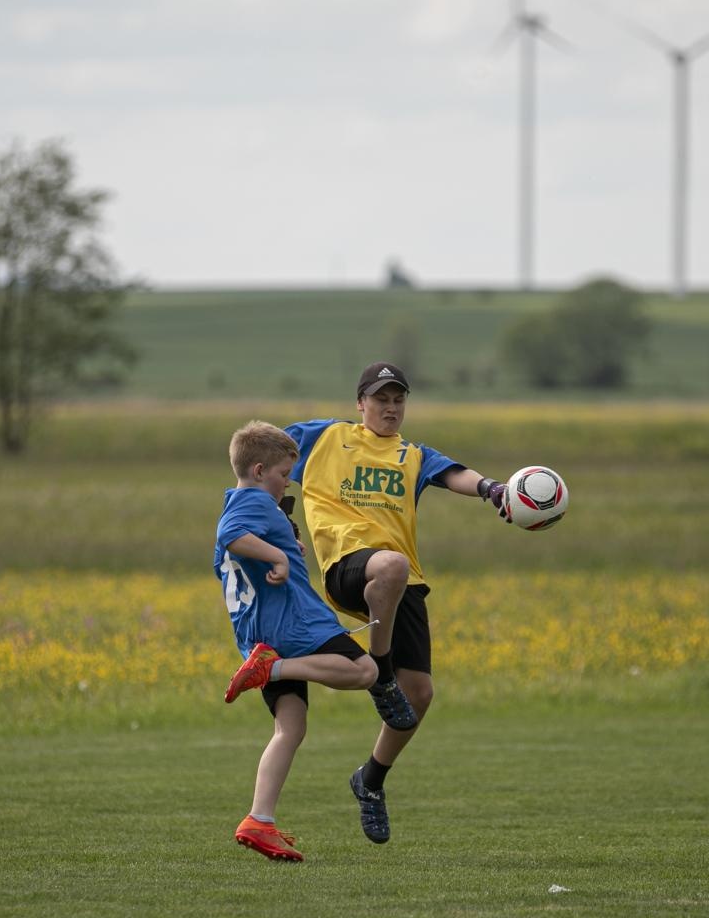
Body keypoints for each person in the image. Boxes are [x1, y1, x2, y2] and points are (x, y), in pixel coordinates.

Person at [280, 362, 507, 845]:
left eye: (398, 399)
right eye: (380, 399)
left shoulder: (411, 454)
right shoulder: (323, 437)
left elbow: (458, 475)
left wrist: (495, 491)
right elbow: (262, 457)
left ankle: (371, 781)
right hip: (347, 565)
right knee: (391, 567)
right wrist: (279, 515)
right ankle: (378, 672)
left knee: (419, 695)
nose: (390, 407)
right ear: (360, 403)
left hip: (400, 583)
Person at [215, 420, 378, 863]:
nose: (289, 481)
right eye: (286, 474)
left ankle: (259, 820)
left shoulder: (247, 502)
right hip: (293, 624)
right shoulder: (253, 500)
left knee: (291, 726)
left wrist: (285, 545)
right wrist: (276, 556)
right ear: (260, 468)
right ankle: (274, 667)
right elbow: (230, 534)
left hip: (259, 634)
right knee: (365, 670)